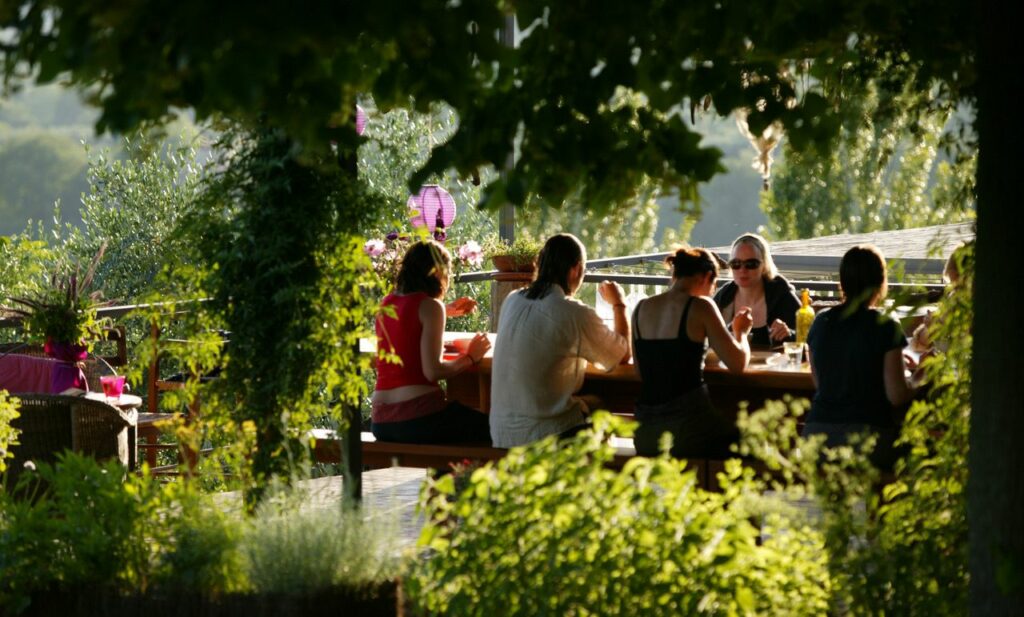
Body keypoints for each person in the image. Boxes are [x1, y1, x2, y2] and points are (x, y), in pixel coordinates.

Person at [489, 233, 630, 448]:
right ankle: (590, 479)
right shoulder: (572, 312)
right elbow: (621, 354)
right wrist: (619, 303)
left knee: (584, 404)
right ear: (575, 269)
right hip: (545, 434)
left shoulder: (513, 299)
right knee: (599, 406)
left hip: (501, 434)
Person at [631, 247, 753, 458]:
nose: (712, 292)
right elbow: (737, 363)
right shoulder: (701, 306)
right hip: (689, 429)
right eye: (714, 285)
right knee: (751, 444)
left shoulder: (641, 308)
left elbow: (640, 373)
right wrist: (740, 332)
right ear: (706, 277)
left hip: (646, 432)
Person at [803, 244, 917, 470]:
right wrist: (920, 379)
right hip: (868, 440)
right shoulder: (885, 325)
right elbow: (896, 396)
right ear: (880, 283)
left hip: (817, 438)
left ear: (842, 282)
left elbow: (821, 382)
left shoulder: (821, 322)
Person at [371, 240, 492, 444]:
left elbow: (410, 321)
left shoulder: (386, 303)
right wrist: (471, 356)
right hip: (416, 418)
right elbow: (433, 371)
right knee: (493, 429)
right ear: (437, 272)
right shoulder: (431, 307)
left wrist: (446, 310)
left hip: (381, 422)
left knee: (456, 423)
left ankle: (447, 476)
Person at [713, 233, 801, 346]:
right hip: (730, 364)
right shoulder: (724, 297)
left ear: (764, 266)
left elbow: (809, 339)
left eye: (751, 264)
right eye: (736, 264)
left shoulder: (781, 295)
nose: (742, 270)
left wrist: (789, 335)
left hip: (775, 363)